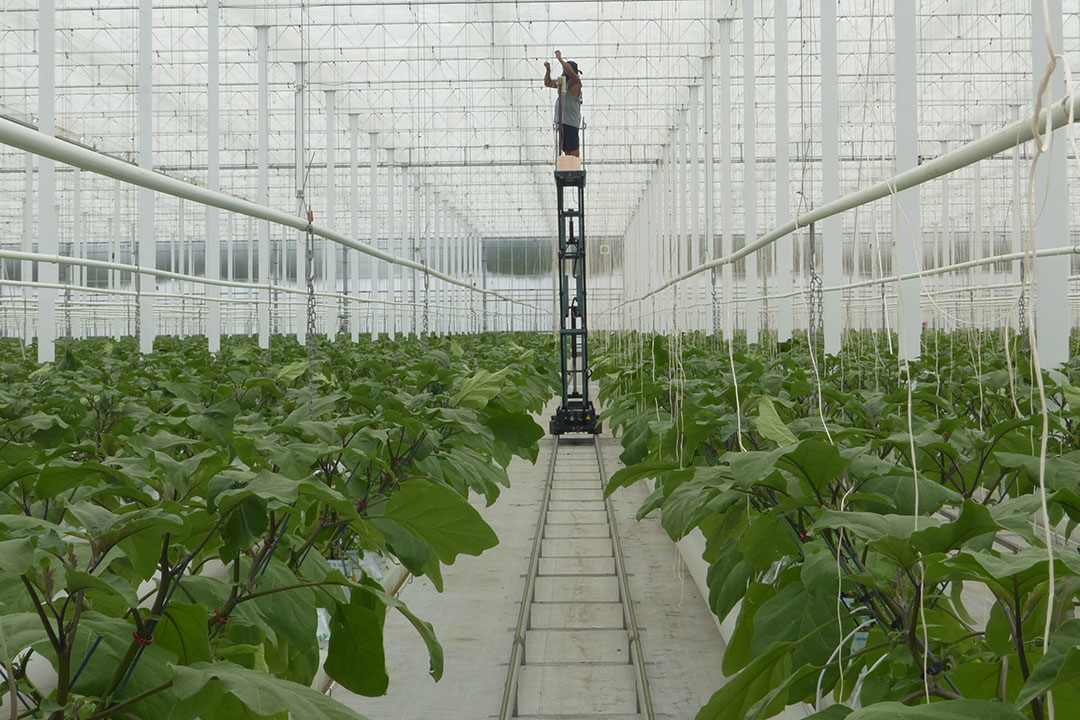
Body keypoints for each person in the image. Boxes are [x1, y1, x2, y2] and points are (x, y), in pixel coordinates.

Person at [544, 51, 582, 157]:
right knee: (566, 149)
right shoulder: (563, 83)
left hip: (570, 122)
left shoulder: (576, 83)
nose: (564, 71)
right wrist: (548, 70)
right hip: (562, 121)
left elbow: (571, 73)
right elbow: (548, 83)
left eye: (566, 68)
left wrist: (560, 59)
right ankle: (569, 166)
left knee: (573, 149)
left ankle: (574, 167)